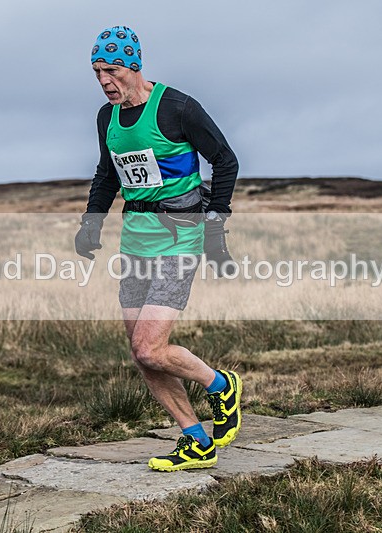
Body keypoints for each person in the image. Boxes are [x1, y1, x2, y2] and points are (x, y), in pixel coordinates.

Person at [75, 25, 241, 472]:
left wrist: (214, 225)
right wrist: (91, 224)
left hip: (179, 238)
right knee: (140, 351)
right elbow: (107, 174)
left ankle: (221, 385)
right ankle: (195, 439)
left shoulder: (177, 108)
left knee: (151, 347)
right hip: (136, 242)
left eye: (111, 70)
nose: (105, 80)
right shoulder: (105, 118)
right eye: (97, 73)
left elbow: (225, 160)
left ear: (133, 65)